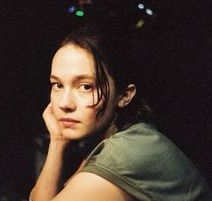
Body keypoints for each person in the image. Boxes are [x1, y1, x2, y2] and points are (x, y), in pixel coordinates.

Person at [29, 9, 212, 201]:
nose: (65, 103)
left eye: (85, 87)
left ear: (124, 95)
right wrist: (58, 140)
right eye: (58, 85)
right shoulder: (122, 136)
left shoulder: (126, 152)